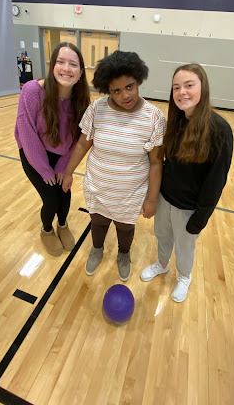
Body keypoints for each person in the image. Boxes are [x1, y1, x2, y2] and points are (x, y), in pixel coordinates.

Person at [62, 50, 166, 281]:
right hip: (98, 186)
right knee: (98, 221)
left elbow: (156, 162)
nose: (124, 95)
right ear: (108, 90)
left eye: (129, 87)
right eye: (116, 91)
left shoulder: (154, 117)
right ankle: (97, 249)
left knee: (125, 227)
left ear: (138, 81)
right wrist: (68, 172)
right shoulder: (96, 110)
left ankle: (123, 254)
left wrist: (151, 199)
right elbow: (81, 144)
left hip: (130, 193)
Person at [140, 63, 233, 303]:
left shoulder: (220, 130)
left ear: (203, 88)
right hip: (165, 199)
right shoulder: (176, 122)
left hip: (189, 208)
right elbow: (164, 163)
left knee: (184, 247)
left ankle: (184, 276)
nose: (182, 92)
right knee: (162, 235)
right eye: (176, 87)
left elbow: (216, 181)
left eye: (189, 85)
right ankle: (161, 264)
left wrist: (200, 218)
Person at [15, 42, 90, 256]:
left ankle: (63, 224)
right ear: (52, 65)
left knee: (65, 194)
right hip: (34, 154)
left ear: (80, 72)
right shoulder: (32, 91)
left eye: (73, 64)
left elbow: (77, 139)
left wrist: (64, 166)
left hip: (61, 156)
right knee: (51, 198)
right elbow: (27, 135)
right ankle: (47, 230)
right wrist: (45, 169)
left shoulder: (81, 100)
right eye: (61, 62)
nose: (66, 68)